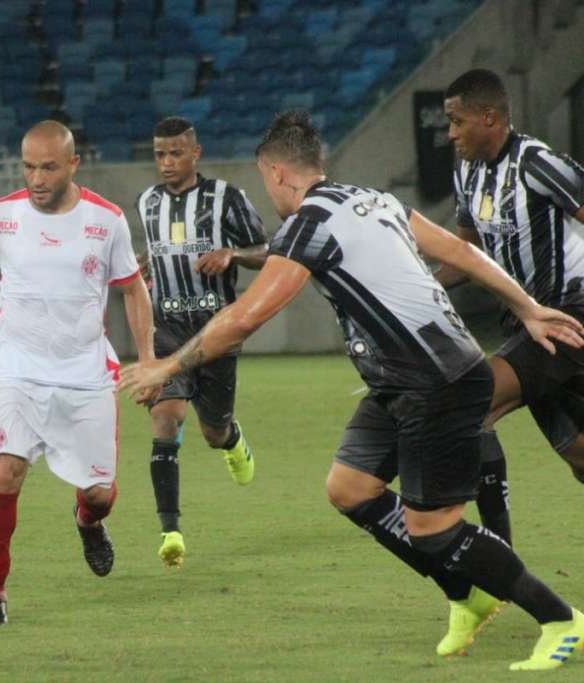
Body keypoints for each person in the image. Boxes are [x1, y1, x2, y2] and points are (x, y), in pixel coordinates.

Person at [118, 111, 584, 670]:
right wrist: (526, 307)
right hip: (399, 381)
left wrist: (164, 365)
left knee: (432, 529)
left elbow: (245, 318)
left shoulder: (307, 225)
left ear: (277, 172)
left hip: (439, 382)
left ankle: (561, 618)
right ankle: (467, 594)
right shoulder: (372, 198)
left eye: (266, 181)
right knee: (349, 488)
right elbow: (459, 252)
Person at [0, 121, 158, 626]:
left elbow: (132, 289)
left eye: (48, 167)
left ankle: (87, 520)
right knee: (5, 471)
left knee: (100, 496)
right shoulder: (1, 215)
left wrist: (148, 360)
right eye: (29, 166)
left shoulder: (105, 221)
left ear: (72, 165)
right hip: (16, 367)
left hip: (84, 372)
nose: (37, 178)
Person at [436, 69, 584, 518]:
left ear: (488, 117)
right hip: (524, 325)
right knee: (579, 457)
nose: (450, 134)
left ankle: (498, 564)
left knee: (469, 405)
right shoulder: (467, 172)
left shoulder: (537, 164)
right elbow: (465, 252)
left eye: (457, 122)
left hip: (567, 317)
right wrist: (416, 286)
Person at [135, 116, 267, 568]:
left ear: (196, 153)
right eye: (159, 154)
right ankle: (170, 531)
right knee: (165, 419)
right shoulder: (147, 202)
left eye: (175, 153)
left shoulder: (226, 198)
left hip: (216, 331)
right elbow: (156, 255)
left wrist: (234, 253)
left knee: (212, 431)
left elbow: (268, 252)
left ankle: (231, 439)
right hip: (166, 329)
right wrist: (142, 265)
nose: (167, 162)